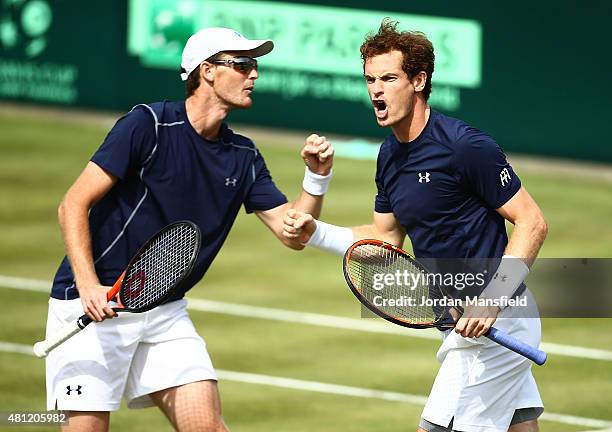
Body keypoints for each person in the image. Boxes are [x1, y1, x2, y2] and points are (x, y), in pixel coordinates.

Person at [44, 27, 334, 432]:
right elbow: (72, 204)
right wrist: (89, 286)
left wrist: (316, 179)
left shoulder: (244, 155)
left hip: (164, 310)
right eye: (243, 64)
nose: (254, 75)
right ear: (208, 71)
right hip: (93, 305)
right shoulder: (148, 124)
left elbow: (294, 234)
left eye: (255, 65)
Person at [283, 19, 548, 432]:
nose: (376, 89)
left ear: (419, 80)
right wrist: (315, 232)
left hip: (497, 317)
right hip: (460, 322)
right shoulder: (389, 156)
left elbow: (532, 222)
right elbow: (385, 239)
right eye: (370, 79)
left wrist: (491, 300)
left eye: (388, 78)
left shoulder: (464, 146)